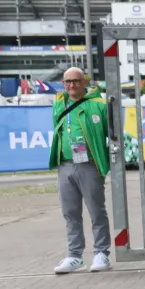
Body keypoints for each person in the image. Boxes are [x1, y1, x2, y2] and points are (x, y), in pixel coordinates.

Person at [48, 67, 112, 274]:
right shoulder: (59, 103)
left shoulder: (99, 105)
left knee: (96, 211)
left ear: (85, 82)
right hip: (65, 164)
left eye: (76, 81)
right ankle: (75, 256)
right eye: (67, 82)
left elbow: (113, 134)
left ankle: (101, 253)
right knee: (70, 213)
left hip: (89, 165)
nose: (71, 85)